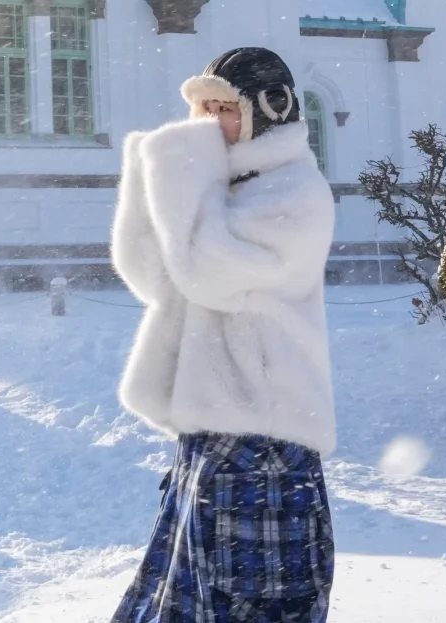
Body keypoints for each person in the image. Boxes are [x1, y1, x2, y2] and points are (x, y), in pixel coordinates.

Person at [109, 46, 336, 623]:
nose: (209, 123)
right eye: (202, 109)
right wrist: (150, 175)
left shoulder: (296, 192)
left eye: (224, 109)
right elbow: (153, 276)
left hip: (265, 433)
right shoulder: (220, 189)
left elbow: (207, 275)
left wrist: (179, 169)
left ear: (269, 109)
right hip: (211, 431)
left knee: (251, 601)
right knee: (186, 596)